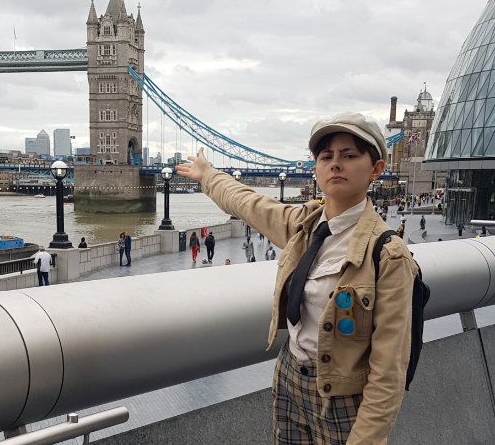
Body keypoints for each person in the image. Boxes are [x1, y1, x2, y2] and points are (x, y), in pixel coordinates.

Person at [176, 112, 416, 444]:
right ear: (315, 169)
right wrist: (209, 175)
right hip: (290, 376)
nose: (335, 164)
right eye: (326, 156)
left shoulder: (388, 255)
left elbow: (388, 371)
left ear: (375, 169)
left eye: (349, 155)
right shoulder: (303, 225)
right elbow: (248, 203)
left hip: (343, 398)